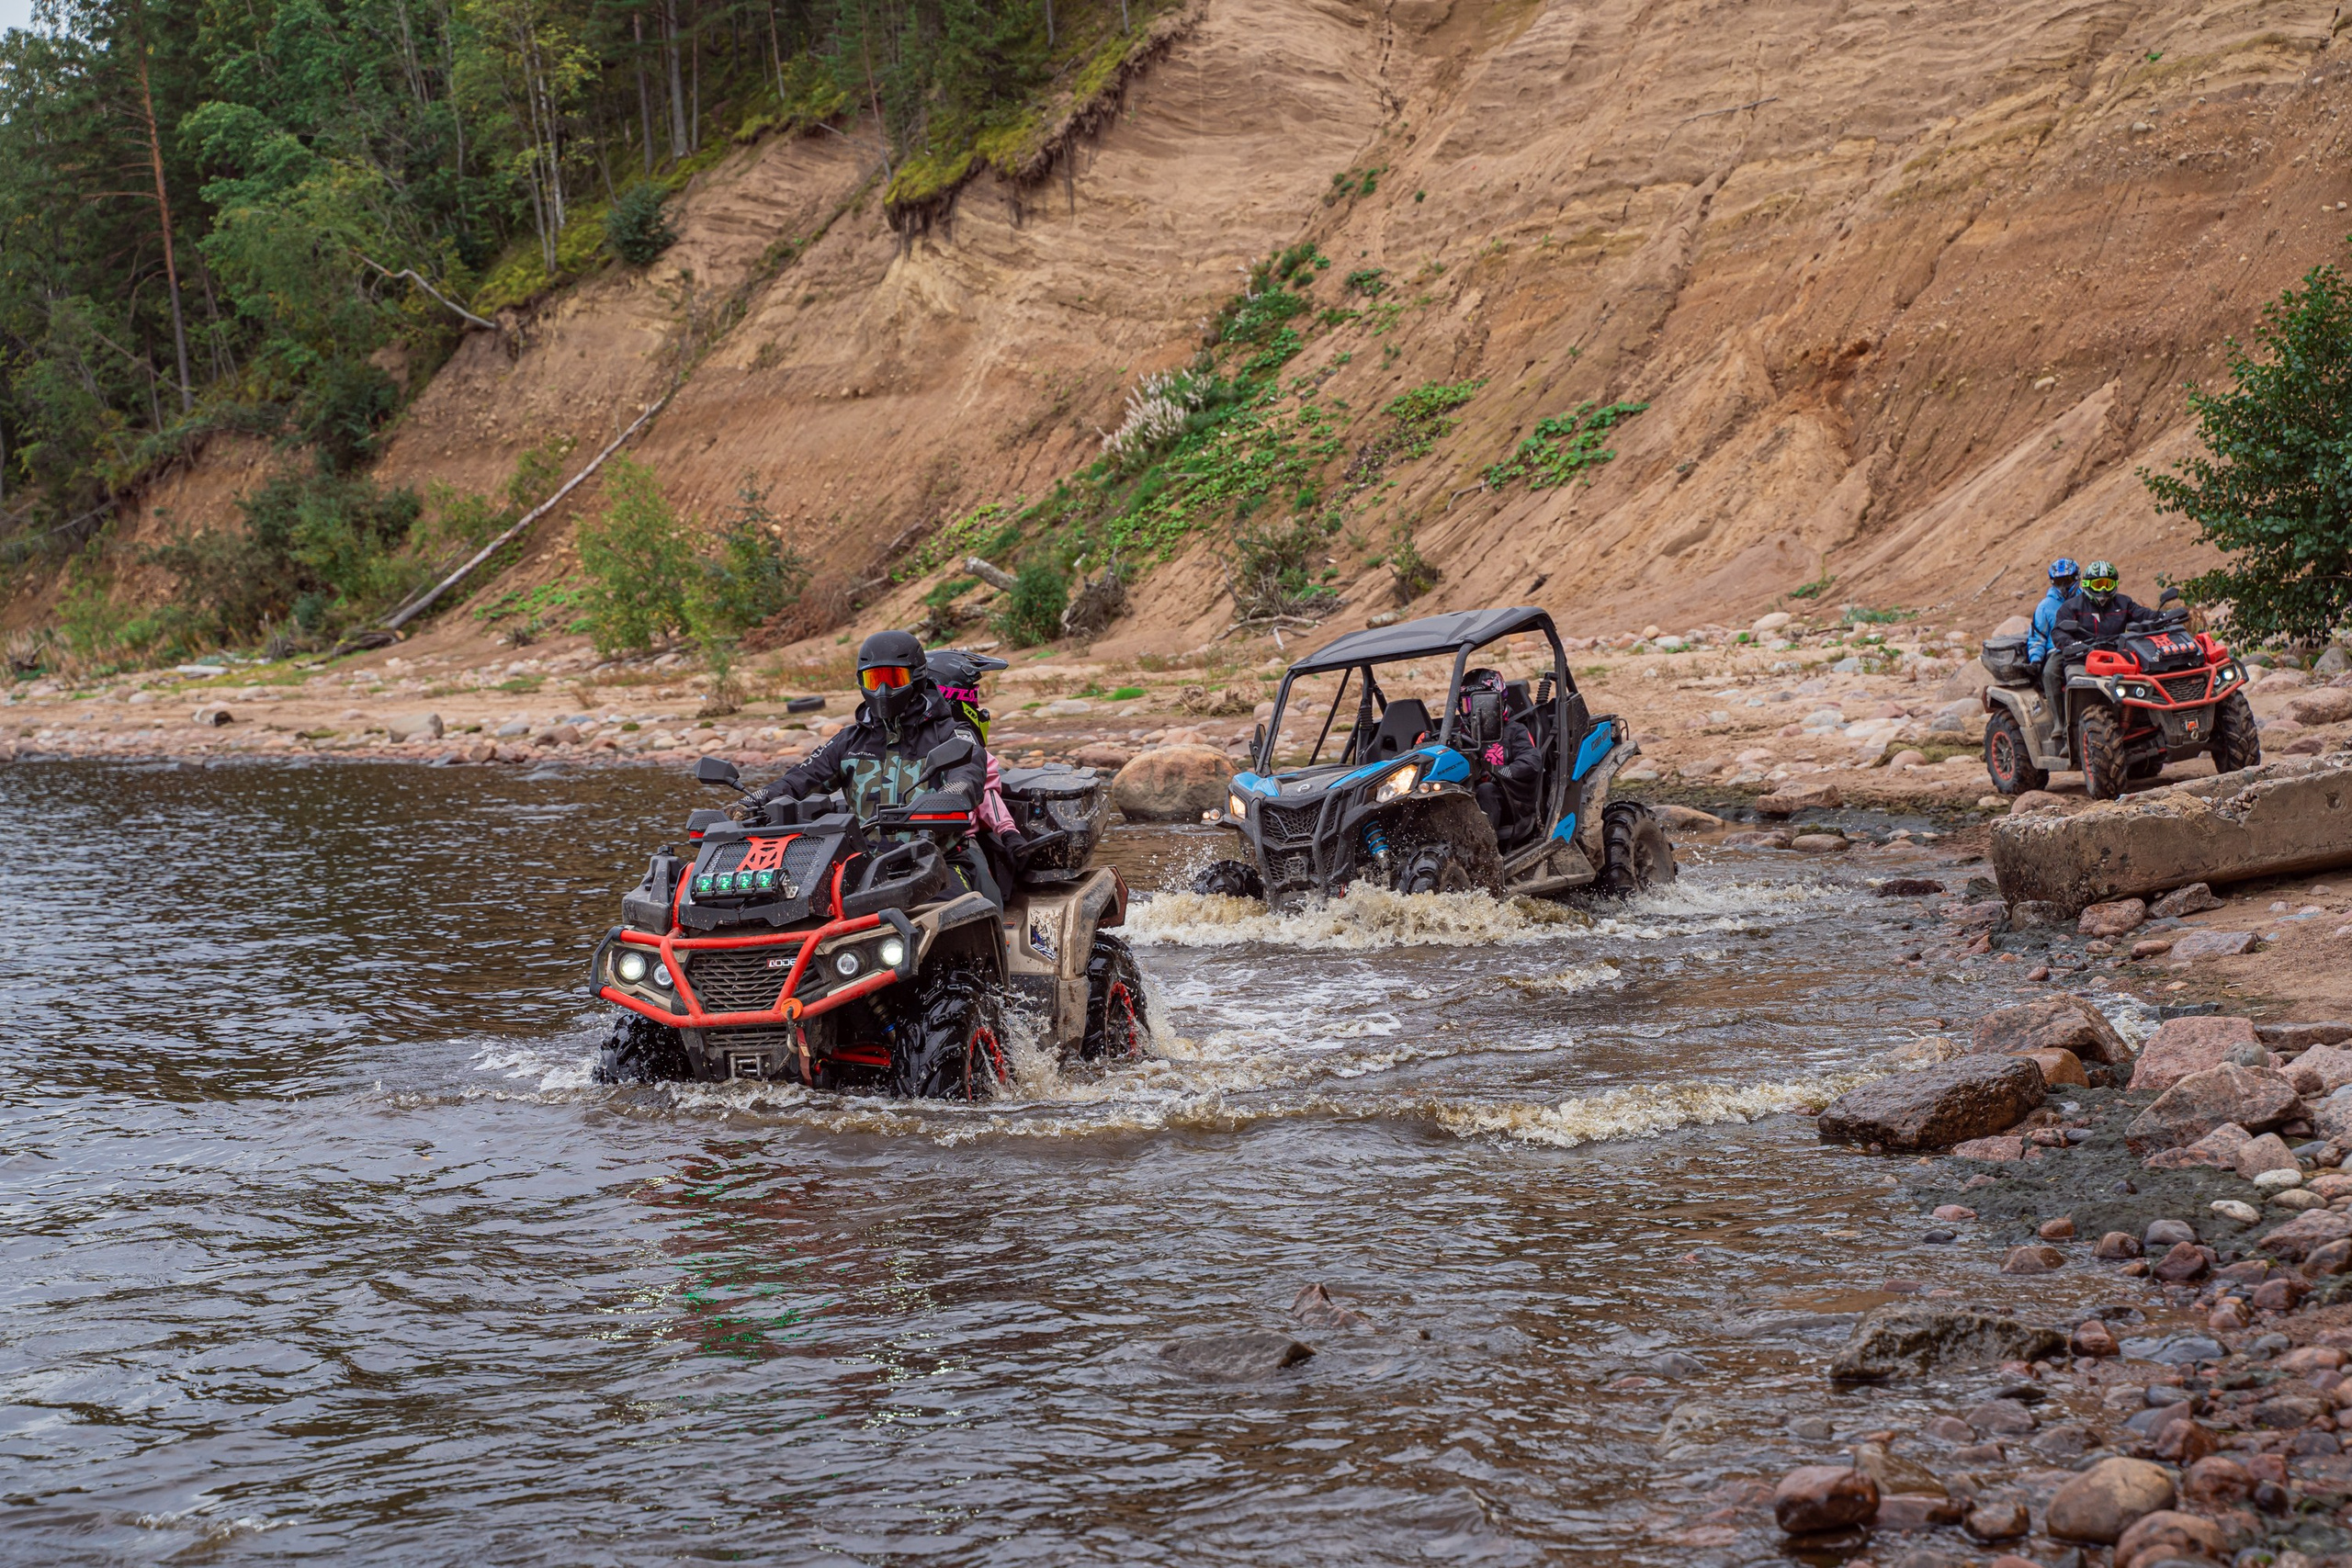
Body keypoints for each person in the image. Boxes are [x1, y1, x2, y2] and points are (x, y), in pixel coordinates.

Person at [751, 629, 998, 900]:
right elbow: (800, 779)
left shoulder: (952, 733)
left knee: (951, 912)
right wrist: (756, 800)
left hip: (940, 861)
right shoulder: (849, 741)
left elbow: (969, 775)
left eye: (894, 679)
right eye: (874, 679)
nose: (883, 690)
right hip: (864, 867)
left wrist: (952, 794)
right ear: (861, 681)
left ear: (917, 677)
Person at [1456, 668, 1542, 841]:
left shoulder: (1515, 731)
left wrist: (1500, 772)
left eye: (1481, 705)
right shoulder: (1459, 738)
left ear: (1498, 702)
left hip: (1512, 803)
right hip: (1467, 798)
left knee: (1486, 790)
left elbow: (1531, 762)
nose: (1473, 712)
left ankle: (1482, 848)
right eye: (1467, 704)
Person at [2030, 558, 2080, 723]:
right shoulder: (2044, 606)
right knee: (2049, 674)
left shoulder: (2087, 599)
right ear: (2053, 582)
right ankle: (2060, 722)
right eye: (2059, 581)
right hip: (2058, 651)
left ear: (2077, 578)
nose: (2064, 586)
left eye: (2068, 580)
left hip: (2087, 646)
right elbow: (2037, 636)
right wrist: (2036, 659)